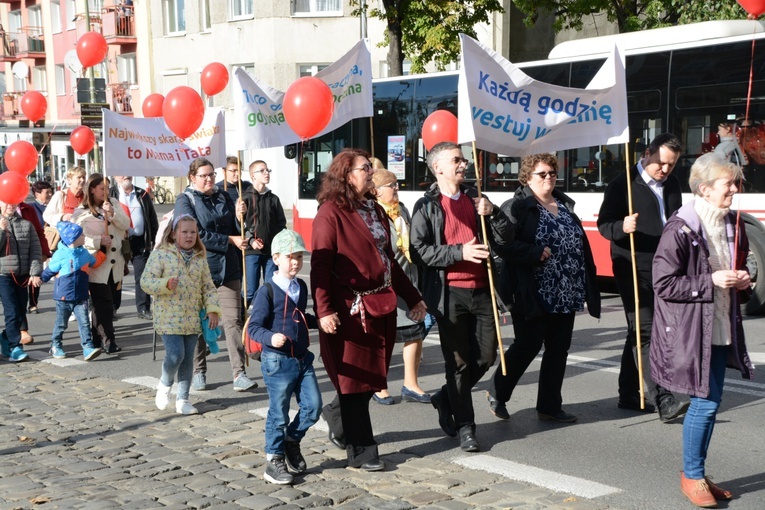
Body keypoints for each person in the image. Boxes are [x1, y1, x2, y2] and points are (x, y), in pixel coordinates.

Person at [311, 148, 426, 471]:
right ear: (346, 175)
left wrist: (413, 297)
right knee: (354, 381)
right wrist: (323, 311)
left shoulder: (375, 210)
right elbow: (320, 267)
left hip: (382, 304)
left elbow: (390, 260)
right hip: (350, 309)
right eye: (364, 169)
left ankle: (336, 415)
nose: (371, 174)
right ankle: (361, 450)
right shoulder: (330, 213)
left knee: (372, 377)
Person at [651, 152, 753, 508]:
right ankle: (692, 475)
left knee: (710, 403)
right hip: (693, 332)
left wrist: (744, 280)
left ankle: (698, 474)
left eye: (736, 183)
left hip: (722, 328)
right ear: (705, 189)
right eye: (729, 183)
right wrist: (710, 281)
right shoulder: (681, 227)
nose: (735, 190)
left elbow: (738, 269)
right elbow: (663, 284)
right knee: (705, 405)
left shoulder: (729, 223)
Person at [409, 141, 511, 453]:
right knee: (459, 363)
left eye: (463, 160)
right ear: (437, 167)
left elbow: (505, 238)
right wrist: (460, 252)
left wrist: (493, 214)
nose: (463, 165)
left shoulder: (476, 197)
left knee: (487, 357)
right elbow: (418, 251)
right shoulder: (425, 206)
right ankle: (467, 427)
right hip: (448, 293)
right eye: (456, 160)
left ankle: (445, 396)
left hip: (483, 290)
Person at [485, 154, 600, 424]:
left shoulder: (563, 203)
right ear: (527, 177)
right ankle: (498, 391)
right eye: (542, 174)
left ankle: (549, 405)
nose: (549, 178)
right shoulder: (517, 206)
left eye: (552, 173)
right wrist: (534, 253)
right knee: (528, 344)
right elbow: (501, 245)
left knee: (558, 349)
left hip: (566, 290)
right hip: (532, 290)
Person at [597, 133, 689, 420]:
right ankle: (663, 400)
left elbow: (676, 219)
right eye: (660, 163)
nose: (664, 170)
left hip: (665, 266)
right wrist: (621, 227)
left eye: (671, 165)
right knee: (646, 330)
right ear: (646, 154)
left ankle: (627, 392)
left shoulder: (672, 183)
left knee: (636, 332)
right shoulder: (622, 184)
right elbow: (604, 224)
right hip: (632, 265)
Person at [174, 157, 257, 393]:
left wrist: (241, 221)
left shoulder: (222, 195)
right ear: (192, 177)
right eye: (204, 175)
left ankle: (239, 373)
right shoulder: (185, 200)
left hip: (228, 268)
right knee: (200, 323)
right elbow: (193, 232)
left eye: (211, 174)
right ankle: (199, 371)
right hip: (199, 269)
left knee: (233, 320)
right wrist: (229, 240)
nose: (210, 179)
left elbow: (234, 227)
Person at [248, 229, 320, 485]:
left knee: (313, 407)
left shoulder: (300, 285)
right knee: (278, 414)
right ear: (276, 258)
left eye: (299, 256)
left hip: (302, 358)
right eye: (290, 256)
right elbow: (255, 327)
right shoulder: (267, 291)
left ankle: (292, 441)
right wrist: (270, 338)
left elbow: (300, 318)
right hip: (277, 361)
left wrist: (321, 321)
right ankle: (274, 460)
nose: (295, 262)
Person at [142, 214, 221, 416]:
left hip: (192, 318)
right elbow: (146, 281)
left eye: (193, 232)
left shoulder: (199, 257)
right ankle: (165, 383)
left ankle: (183, 399)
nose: (189, 236)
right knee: (176, 354)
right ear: (174, 233)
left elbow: (208, 287)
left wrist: (212, 309)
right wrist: (165, 284)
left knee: (188, 360)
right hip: (168, 317)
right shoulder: (161, 254)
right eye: (184, 232)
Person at [371, 168, 431, 405]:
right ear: (375, 191)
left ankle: (411, 384)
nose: (396, 189)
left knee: (415, 332)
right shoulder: (374, 214)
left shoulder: (402, 209)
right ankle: (379, 384)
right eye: (391, 185)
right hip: (384, 284)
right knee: (383, 338)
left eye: (396, 184)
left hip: (408, 280)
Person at [73, 173, 130, 354]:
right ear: (92, 189)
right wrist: (98, 241)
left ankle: (96, 337)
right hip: (97, 263)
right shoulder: (81, 210)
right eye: (101, 189)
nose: (105, 192)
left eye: (107, 188)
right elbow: (78, 237)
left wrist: (111, 214)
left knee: (107, 303)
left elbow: (126, 224)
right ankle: (109, 340)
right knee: (102, 302)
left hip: (115, 264)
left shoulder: (112, 203)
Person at [41, 221, 101, 361]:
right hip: (63, 296)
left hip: (81, 295)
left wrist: (103, 252)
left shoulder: (84, 252)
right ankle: (55, 345)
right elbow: (50, 270)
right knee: (61, 323)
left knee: (84, 322)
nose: (84, 236)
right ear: (73, 238)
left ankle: (87, 347)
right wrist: (39, 279)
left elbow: (94, 262)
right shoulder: (60, 254)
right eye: (81, 235)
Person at [110, 176, 159, 320]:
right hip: (119, 241)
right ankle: (113, 307)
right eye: (122, 172)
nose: (126, 175)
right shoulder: (111, 194)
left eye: (129, 172)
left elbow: (152, 218)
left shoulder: (142, 194)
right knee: (116, 275)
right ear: (115, 176)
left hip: (140, 241)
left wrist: (155, 240)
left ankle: (143, 308)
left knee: (142, 275)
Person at [0, 198, 42, 362]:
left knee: (20, 312)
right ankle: (15, 347)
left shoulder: (27, 225)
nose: (10, 206)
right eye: (6, 202)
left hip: (22, 275)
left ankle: (5, 337)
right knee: (11, 312)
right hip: (3, 274)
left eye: (14, 203)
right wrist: (2, 231)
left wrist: (35, 272)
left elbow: (35, 250)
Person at [242, 159, 286, 307]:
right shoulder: (245, 198)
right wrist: (250, 241)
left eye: (267, 170)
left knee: (270, 289)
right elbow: (240, 225)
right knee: (250, 290)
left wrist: (278, 245)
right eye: (262, 170)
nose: (266, 173)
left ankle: (265, 321)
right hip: (251, 252)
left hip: (271, 252)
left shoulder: (273, 199)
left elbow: (281, 224)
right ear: (253, 176)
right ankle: (242, 320)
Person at [26, 181, 53, 315]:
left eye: (50, 192)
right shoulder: (31, 208)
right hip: (36, 245)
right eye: (46, 192)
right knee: (34, 274)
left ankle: (34, 302)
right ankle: (32, 303)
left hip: (53, 244)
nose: (50, 195)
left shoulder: (54, 206)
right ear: (37, 194)